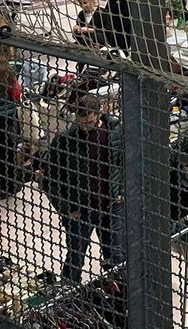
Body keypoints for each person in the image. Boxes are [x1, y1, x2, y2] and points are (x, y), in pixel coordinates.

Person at [42, 95, 121, 283]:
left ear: (99, 115)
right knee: (75, 257)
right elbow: (49, 180)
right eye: (81, 123)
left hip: (111, 205)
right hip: (81, 208)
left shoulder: (116, 134)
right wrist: (66, 209)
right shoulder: (65, 141)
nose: (85, 127)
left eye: (90, 122)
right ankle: (68, 294)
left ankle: (117, 292)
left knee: (115, 254)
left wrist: (122, 193)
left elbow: (125, 165)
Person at [0, 57, 22, 213]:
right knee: (6, 152)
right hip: (8, 117)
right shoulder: (8, 70)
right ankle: (8, 186)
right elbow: (16, 93)